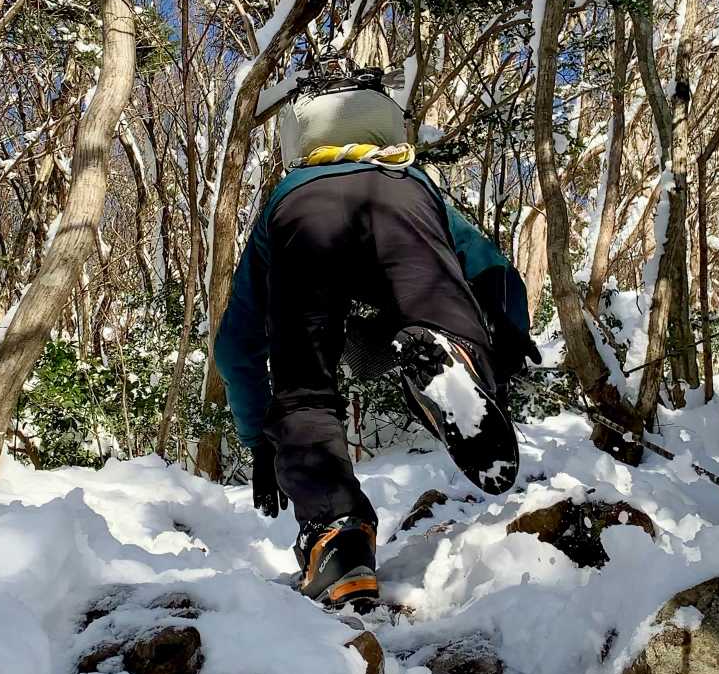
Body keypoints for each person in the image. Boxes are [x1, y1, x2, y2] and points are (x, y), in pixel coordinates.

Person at [213, 65, 540, 611]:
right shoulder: (416, 183)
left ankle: (336, 535)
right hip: (402, 206)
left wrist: (260, 438)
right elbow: (492, 270)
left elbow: (235, 346)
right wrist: (508, 331)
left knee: (305, 389)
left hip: (303, 219)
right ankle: (456, 354)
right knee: (443, 315)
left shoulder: (285, 196)